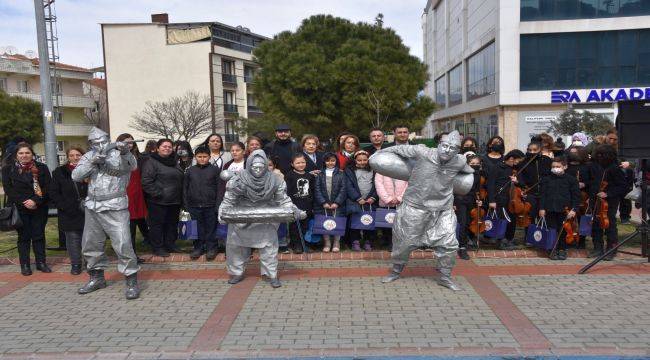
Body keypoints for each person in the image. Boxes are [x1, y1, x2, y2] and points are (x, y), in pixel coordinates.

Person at [377, 131, 473, 290]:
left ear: (458, 151)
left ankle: (445, 276)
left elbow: (469, 174)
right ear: (439, 145)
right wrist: (378, 155)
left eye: (453, 148)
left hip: (442, 209)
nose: (447, 150)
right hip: (415, 206)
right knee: (404, 242)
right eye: (445, 146)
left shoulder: (460, 160)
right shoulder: (422, 151)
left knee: (449, 243)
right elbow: (397, 150)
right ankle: (395, 271)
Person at [72, 128, 140, 299]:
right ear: (91, 144)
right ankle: (96, 278)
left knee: (123, 243)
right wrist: (93, 162)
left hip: (115, 206)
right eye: (96, 143)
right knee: (90, 244)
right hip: (93, 206)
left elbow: (132, 166)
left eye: (103, 141)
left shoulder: (119, 155)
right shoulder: (88, 156)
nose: (101, 145)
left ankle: (131, 280)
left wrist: (125, 152)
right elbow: (76, 176)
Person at [219, 150, 303, 288]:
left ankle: (271, 274)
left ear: (265, 166)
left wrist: (294, 210)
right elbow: (229, 200)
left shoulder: (276, 180)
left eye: (261, 167)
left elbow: (283, 200)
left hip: (265, 217)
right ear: (249, 165)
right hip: (241, 217)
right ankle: (237, 272)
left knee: (269, 248)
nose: (257, 170)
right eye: (254, 167)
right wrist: (222, 212)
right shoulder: (237, 179)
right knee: (236, 248)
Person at [2, 143, 52, 276]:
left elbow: (48, 187)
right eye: (21, 153)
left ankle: (41, 262)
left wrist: (35, 200)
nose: (24, 155)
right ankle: (25, 265)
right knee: (24, 237)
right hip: (19, 208)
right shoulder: (8, 169)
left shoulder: (42, 168)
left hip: (39, 207)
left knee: (39, 235)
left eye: (27, 153)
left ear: (32, 154)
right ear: (16, 155)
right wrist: (24, 202)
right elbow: (8, 189)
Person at [141, 138, 184, 257]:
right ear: (158, 148)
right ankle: (158, 247)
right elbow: (146, 181)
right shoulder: (151, 161)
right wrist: (158, 194)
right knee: (157, 225)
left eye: (169, 147)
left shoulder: (174, 162)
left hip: (174, 200)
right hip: (158, 201)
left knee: (172, 224)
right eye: (164, 146)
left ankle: (170, 244)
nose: (167, 148)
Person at [50, 147, 88, 275]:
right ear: (68, 157)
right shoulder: (59, 172)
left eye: (78, 155)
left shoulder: (90, 170)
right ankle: (76, 264)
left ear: (83, 156)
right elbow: (54, 192)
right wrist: (64, 206)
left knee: (89, 238)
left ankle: (90, 263)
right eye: (72, 155)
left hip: (88, 210)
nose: (75, 157)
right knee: (73, 239)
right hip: (68, 211)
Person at [590, 144, 628, 260]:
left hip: (609, 201)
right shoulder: (594, 166)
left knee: (610, 224)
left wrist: (608, 193)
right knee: (596, 224)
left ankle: (611, 249)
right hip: (595, 199)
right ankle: (597, 248)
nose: (600, 157)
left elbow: (623, 186)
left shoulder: (614, 168)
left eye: (603, 155)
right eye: (599, 155)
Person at [184, 146, 222, 261]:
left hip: (210, 205)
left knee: (211, 228)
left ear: (209, 157)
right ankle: (198, 247)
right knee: (196, 228)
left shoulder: (215, 170)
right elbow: (185, 189)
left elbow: (219, 188)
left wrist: (217, 205)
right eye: (199, 157)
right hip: (194, 205)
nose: (202, 159)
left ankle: (211, 248)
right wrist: (186, 205)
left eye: (205, 157)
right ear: (195, 157)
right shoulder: (190, 171)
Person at [539, 158, 580, 260]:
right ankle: (551, 248)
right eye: (553, 167)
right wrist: (542, 208)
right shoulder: (546, 179)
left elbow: (576, 196)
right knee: (551, 229)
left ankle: (562, 249)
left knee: (562, 230)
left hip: (565, 210)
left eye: (558, 167)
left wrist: (574, 209)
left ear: (565, 167)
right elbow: (543, 195)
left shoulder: (571, 180)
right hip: (550, 208)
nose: (555, 169)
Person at [117, 133, 147, 264]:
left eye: (131, 142)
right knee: (128, 230)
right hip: (124, 195)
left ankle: (134, 254)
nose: (129, 145)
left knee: (136, 227)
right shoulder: (115, 157)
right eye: (126, 142)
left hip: (137, 196)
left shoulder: (138, 157)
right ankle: (130, 256)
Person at [487, 149, 525, 250]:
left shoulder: (515, 170)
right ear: (511, 158)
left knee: (512, 220)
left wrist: (517, 181)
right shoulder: (497, 167)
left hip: (512, 200)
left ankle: (509, 239)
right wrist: (491, 200)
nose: (518, 163)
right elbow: (490, 184)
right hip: (500, 199)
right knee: (503, 220)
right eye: (517, 161)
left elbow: (523, 184)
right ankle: (500, 241)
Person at [345, 150, 378, 251]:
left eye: (365, 160)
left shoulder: (374, 170)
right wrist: (357, 198)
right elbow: (348, 186)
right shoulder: (349, 170)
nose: (362, 162)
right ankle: (355, 241)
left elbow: (378, 185)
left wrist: (373, 197)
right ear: (355, 160)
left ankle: (368, 241)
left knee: (369, 221)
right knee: (355, 222)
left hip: (370, 201)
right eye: (359, 160)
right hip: (356, 201)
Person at [314, 152, 347, 252]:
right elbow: (317, 189)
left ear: (336, 161)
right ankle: (327, 243)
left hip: (337, 205)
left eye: (333, 160)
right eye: (328, 161)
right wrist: (323, 202)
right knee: (325, 223)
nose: (330, 163)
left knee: (337, 222)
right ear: (324, 162)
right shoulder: (320, 174)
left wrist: (337, 202)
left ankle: (336, 242)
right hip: (324, 204)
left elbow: (343, 189)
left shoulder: (341, 173)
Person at [565, 145, 595, 249]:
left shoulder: (588, 166)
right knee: (569, 218)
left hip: (583, 196)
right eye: (571, 152)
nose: (572, 154)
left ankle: (581, 240)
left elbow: (593, 180)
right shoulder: (566, 166)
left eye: (575, 152)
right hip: (569, 195)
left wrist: (584, 184)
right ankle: (569, 239)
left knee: (582, 218)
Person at [454, 154, 483, 260]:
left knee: (467, 223)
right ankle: (462, 247)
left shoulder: (478, 175)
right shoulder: (461, 174)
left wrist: (478, 200)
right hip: (460, 200)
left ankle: (464, 243)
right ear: (467, 164)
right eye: (472, 164)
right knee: (462, 222)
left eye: (477, 164)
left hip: (470, 200)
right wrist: (453, 203)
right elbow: (454, 187)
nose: (475, 165)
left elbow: (477, 190)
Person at [285, 153, 315, 254]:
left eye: (303, 162)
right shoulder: (289, 176)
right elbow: (287, 192)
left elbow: (312, 191)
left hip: (307, 205)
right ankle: (296, 244)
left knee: (306, 226)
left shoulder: (310, 176)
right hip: (295, 206)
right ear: (292, 164)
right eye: (298, 163)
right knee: (294, 227)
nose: (301, 164)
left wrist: (312, 205)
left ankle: (305, 244)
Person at [518, 142, 551, 229]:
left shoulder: (546, 160)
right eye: (530, 150)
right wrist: (524, 186)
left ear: (540, 150)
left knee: (543, 215)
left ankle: (541, 235)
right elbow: (520, 177)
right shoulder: (524, 162)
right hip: (530, 192)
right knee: (530, 215)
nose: (532, 152)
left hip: (545, 192)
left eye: (535, 150)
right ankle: (529, 236)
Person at [374, 168, 408, 249]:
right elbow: (379, 185)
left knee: (399, 223)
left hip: (400, 202)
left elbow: (408, 185)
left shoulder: (404, 170)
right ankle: (388, 241)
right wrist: (387, 199)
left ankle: (397, 242)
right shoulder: (381, 171)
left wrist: (400, 198)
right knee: (386, 222)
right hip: (386, 202)